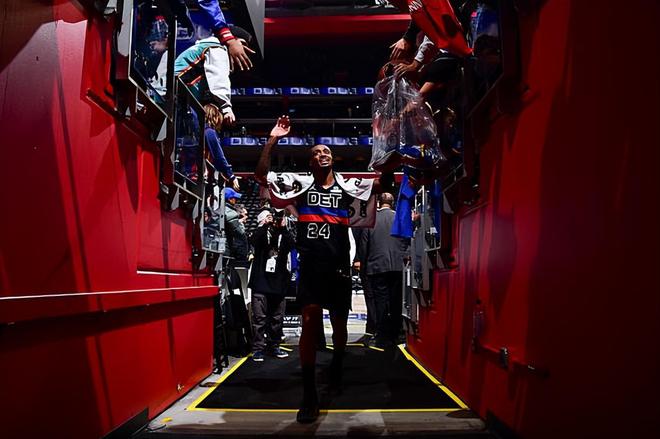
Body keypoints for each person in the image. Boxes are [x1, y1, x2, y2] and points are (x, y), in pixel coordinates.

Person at [255, 116, 392, 424]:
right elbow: (261, 175)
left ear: (333, 158)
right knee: (309, 321)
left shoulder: (347, 187)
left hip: (339, 266)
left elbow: (384, 183)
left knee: (339, 325)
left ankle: (337, 368)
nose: (322, 154)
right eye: (316, 152)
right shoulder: (300, 187)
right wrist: (272, 139)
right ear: (310, 162)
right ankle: (309, 394)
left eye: (326, 151)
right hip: (312, 267)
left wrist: (387, 141)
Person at [359, 193, 409, 349]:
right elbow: (407, 241)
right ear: (392, 203)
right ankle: (396, 333)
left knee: (380, 302)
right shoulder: (399, 218)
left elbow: (364, 244)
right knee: (396, 301)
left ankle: (382, 334)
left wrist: (363, 264)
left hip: (377, 266)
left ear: (379, 203)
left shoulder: (371, 219)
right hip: (397, 265)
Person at [248, 210, 296, 362]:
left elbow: (292, 244)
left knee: (277, 319)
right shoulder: (262, 233)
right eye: (270, 217)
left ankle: (274, 345)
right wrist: (264, 225)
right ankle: (258, 348)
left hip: (278, 283)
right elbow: (254, 241)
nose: (274, 219)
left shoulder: (283, 234)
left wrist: (283, 227)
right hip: (261, 282)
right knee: (259, 319)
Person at [223, 188, 249, 262]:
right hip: (226, 247)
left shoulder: (220, 209)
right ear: (229, 199)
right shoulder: (229, 212)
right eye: (235, 198)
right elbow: (239, 232)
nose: (236, 200)